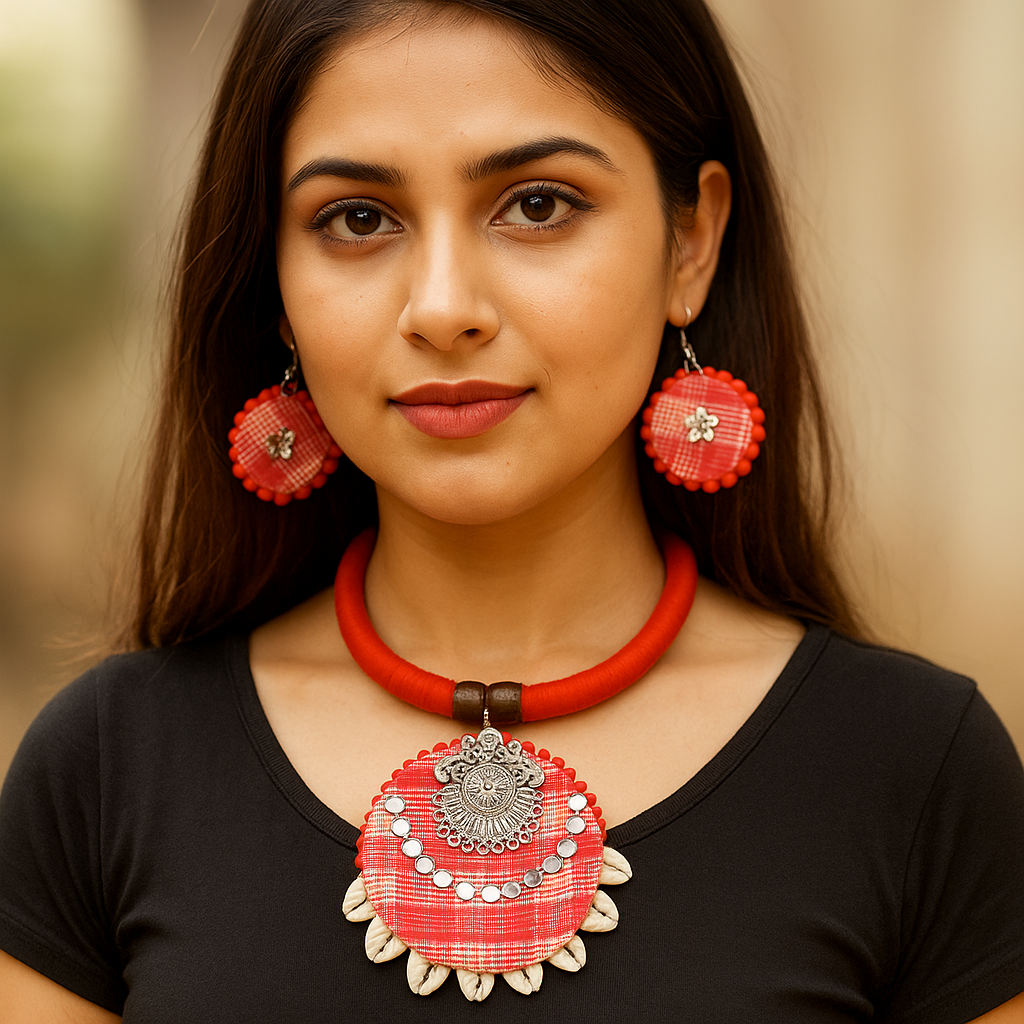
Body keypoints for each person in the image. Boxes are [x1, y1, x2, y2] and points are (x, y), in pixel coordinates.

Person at [1, 0, 1022, 1020]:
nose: (443, 305)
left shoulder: (911, 773)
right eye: (357, 218)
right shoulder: (108, 769)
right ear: (274, 278)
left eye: (537, 204)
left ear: (691, 242)